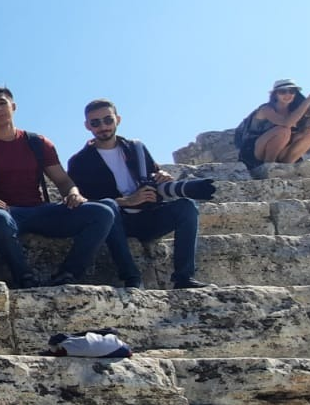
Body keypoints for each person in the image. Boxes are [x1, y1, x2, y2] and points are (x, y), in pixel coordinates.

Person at [0, 86, 119, 289]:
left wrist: (73, 194)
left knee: (102, 212)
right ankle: (25, 278)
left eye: (2, 103)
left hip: (42, 211)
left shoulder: (38, 143)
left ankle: (68, 273)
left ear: (13, 106)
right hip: (7, 213)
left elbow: (62, 181)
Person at [67, 100, 208, 290]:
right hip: (116, 223)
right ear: (87, 126)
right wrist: (127, 201)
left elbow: (153, 176)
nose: (103, 127)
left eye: (108, 120)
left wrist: (163, 177)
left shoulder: (136, 148)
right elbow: (85, 205)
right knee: (107, 213)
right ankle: (132, 278)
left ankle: (184, 277)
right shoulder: (79, 162)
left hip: (150, 214)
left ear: (117, 119)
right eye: (95, 123)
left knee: (187, 206)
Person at [237, 79, 310, 177]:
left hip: (282, 151)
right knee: (283, 130)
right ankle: (269, 166)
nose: (287, 94)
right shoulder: (266, 109)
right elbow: (287, 123)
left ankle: (286, 166)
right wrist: (308, 101)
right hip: (255, 152)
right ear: (275, 94)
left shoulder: (295, 111)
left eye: (291, 91)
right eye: (282, 91)